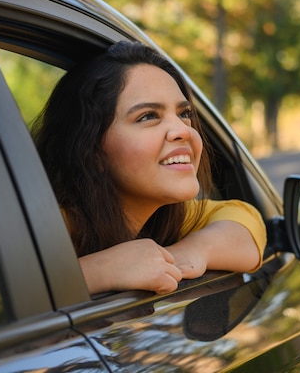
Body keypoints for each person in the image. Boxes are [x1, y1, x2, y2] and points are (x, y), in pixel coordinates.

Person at [32, 41, 266, 295]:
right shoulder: (47, 230)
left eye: (184, 113)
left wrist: (190, 252)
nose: (182, 130)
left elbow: (246, 221)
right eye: (148, 116)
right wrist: (98, 271)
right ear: (92, 151)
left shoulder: (165, 216)